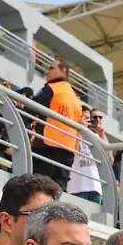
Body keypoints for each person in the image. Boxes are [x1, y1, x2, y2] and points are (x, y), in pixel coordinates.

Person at [29, 60, 81, 190]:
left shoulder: (52, 89)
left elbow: (29, 110)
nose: (47, 71)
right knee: (57, 193)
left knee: (37, 190)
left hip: (47, 146)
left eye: (51, 68)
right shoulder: (76, 100)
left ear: (63, 71)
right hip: (67, 152)